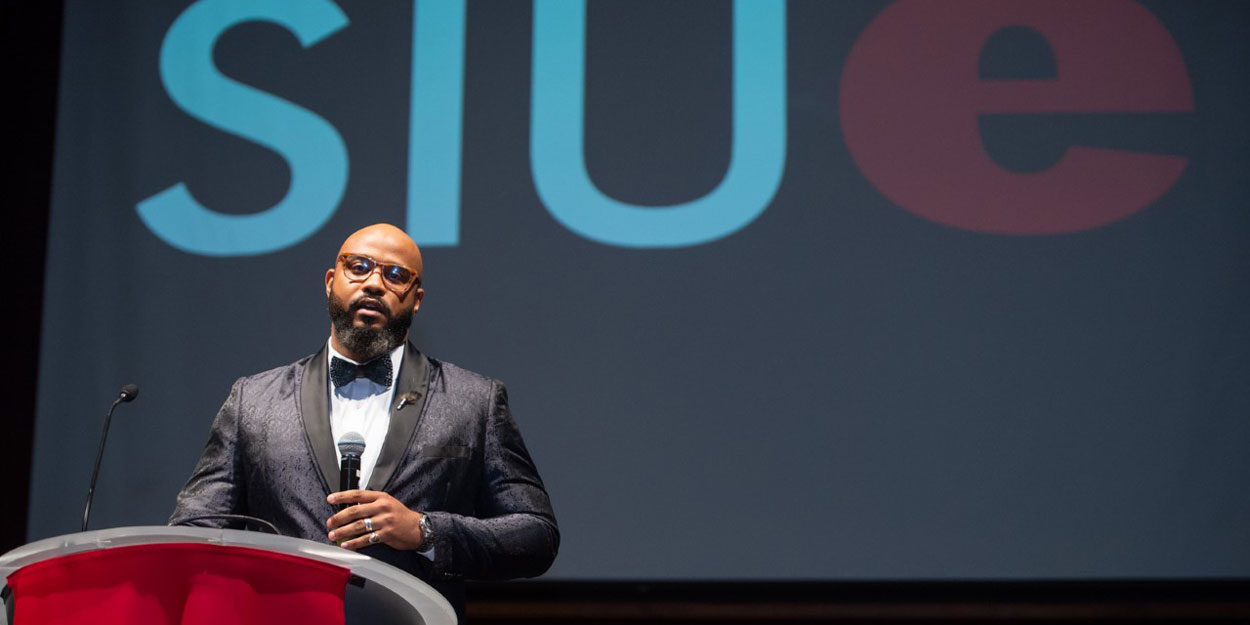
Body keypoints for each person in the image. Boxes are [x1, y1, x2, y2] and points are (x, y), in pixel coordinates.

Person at [170, 223, 558, 616]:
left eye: (395, 275)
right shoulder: (254, 400)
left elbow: (536, 535)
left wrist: (425, 531)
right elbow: (194, 531)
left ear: (417, 299)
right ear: (329, 281)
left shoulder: (473, 401)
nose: (374, 283)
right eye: (358, 266)